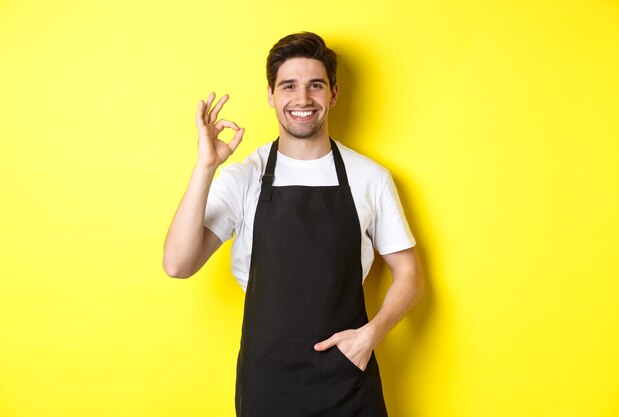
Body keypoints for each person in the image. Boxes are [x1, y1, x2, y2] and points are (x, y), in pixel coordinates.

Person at [163, 31, 424, 417]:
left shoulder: (370, 177)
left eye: (315, 85)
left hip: (348, 379)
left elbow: (410, 273)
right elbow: (178, 264)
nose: (302, 99)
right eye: (289, 86)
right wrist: (206, 167)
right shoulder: (244, 176)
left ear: (333, 93)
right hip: (267, 383)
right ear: (271, 95)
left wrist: (372, 334)